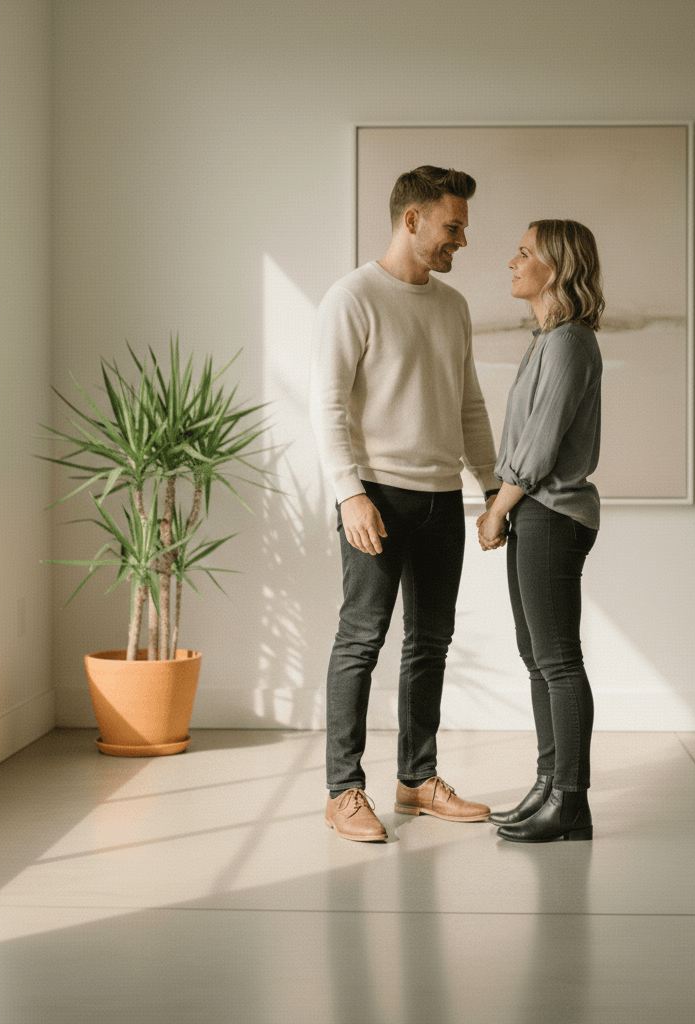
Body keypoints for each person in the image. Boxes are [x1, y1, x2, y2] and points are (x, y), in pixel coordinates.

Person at [310, 165, 500, 842]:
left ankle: (417, 780)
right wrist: (350, 493)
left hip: (441, 500)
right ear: (412, 219)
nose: (462, 240)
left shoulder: (452, 306)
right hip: (377, 497)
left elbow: (469, 405)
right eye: (454, 226)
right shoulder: (352, 297)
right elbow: (326, 405)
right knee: (361, 640)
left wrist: (493, 487)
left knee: (430, 643)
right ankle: (344, 791)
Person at [475, 219, 604, 843]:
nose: (512, 261)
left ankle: (570, 803)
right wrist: (506, 505)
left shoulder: (569, 342)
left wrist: (499, 507)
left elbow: (540, 444)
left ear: (555, 266)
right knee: (539, 660)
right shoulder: (547, 339)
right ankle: (549, 787)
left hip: (549, 513)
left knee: (557, 661)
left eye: (523, 252)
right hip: (537, 512)